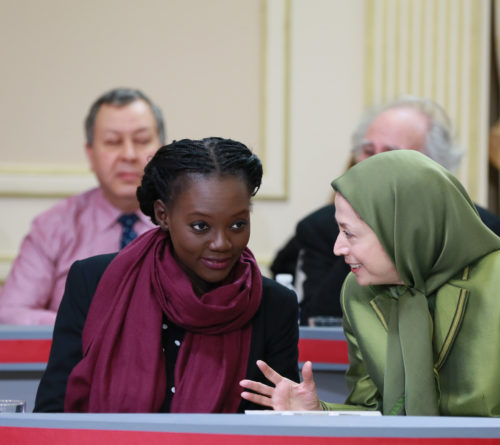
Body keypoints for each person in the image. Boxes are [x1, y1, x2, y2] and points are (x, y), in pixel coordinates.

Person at [34, 137, 300, 413]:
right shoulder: (94, 281)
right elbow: (52, 410)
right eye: (200, 226)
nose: (222, 242)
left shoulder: (274, 304)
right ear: (163, 215)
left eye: (237, 224)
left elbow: (279, 429)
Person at [241, 150, 500, 416]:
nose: (337, 248)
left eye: (349, 233)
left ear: (402, 230)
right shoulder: (358, 292)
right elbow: (373, 410)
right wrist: (318, 412)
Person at [271, 96, 500, 325]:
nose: (372, 164)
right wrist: (360, 235)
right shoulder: (321, 229)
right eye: (368, 151)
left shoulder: (484, 230)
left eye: (390, 153)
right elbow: (318, 321)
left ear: (433, 166)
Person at [0, 87, 165, 325]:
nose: (128, 155)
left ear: (161, 150)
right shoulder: (53, 226)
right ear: (90, 154)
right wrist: (84, 328)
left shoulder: (187, 222)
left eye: (141, 141)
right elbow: (9, 314)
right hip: (78, 358)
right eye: (112, 141)